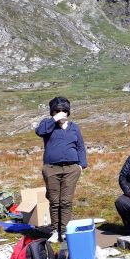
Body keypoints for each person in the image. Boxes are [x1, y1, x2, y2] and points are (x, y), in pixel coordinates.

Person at [35, 97, 87, 241]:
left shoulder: (74, 127)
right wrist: (54, 119)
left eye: (64, 110)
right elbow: (39, 131)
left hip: (71, 168)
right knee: (54, 200)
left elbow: (80, 147)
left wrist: (81, 165)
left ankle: (64, 230)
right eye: (57, 110)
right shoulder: (47, 125)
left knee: (65, 201)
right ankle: (54, 230)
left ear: (68, 111)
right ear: (52, 112)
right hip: (51, 168)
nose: (61, 113)